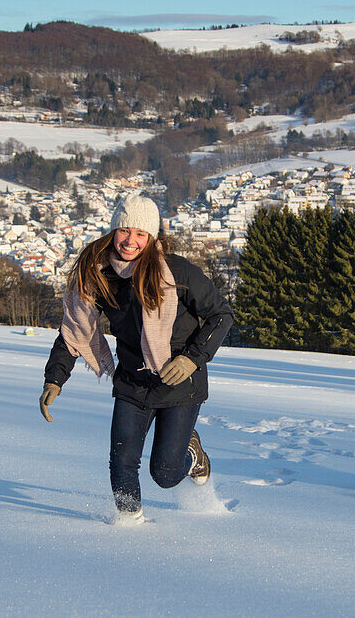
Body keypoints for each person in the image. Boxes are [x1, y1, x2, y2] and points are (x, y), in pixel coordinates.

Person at [39, 194, 233, 522]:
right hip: (133, 380)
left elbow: (221, 315)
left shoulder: (178, 272)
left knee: (166, 473)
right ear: (114, 230)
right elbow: (76, 330)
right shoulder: (99, 276)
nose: (131, 241)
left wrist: (191, 358)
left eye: (141, 234)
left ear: (152, 237)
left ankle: (192, 452)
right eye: (125, 230)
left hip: (179, 383)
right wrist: (55, 377)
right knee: (123, 461)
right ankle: (129, 526)